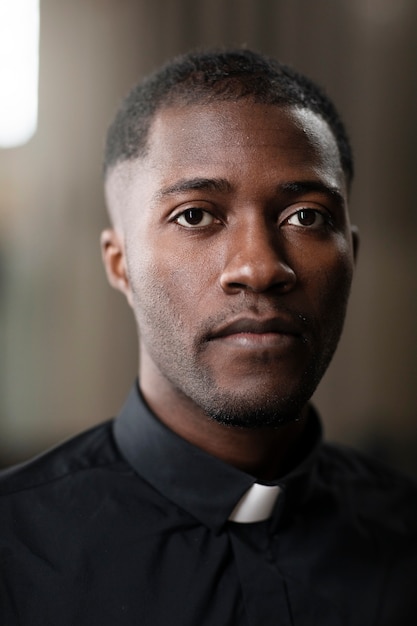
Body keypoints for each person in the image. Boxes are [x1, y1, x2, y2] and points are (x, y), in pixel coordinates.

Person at [1, 48, 416, 626]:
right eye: (195, 215)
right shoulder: (15, 554)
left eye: (306, 217)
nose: (259, 268)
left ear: (353, 255)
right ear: (120, 265)